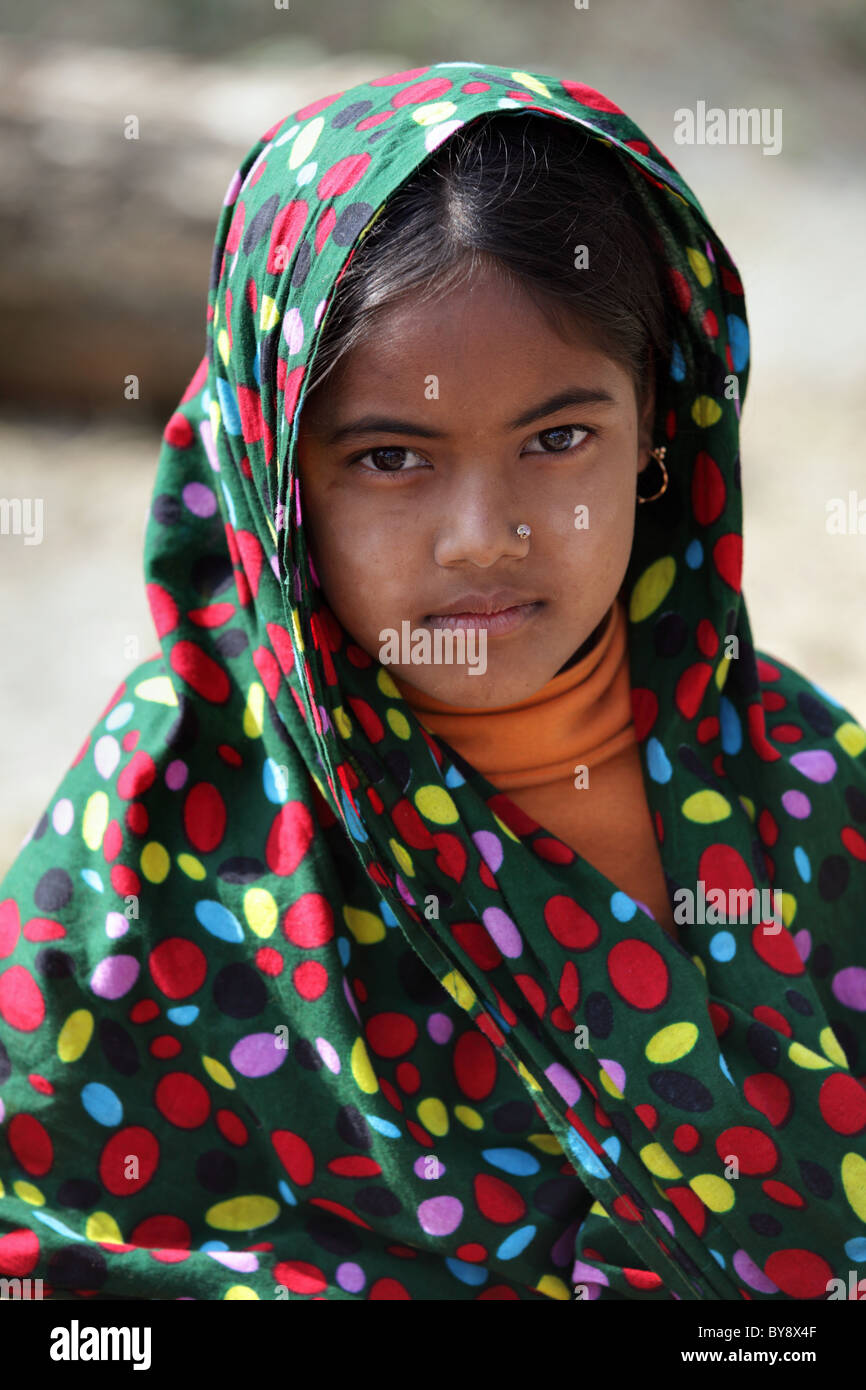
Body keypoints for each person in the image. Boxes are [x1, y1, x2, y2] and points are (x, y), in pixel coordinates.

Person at [0, 61, 864, 1303]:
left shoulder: (795, 783)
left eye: (558, 439)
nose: (480, 536)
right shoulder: (166, 813)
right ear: (278, 476)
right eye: (391, 456)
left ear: (656, 439)